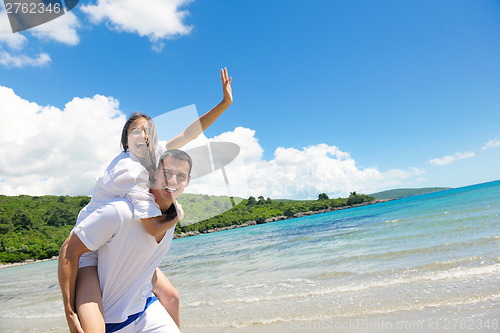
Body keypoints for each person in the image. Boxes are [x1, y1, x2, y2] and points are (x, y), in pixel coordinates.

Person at [74, 68, 233, 331]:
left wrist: (224, 103)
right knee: (95, 326)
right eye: (136, 131)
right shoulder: (127, 168)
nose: (143, 135)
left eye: (148, 131)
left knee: (171, 296)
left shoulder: (155, 154)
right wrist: (177, 215)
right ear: (126, 139)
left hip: (126, 242)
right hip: (92, 249)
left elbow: (190, 132)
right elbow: (150, 226)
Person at [59, 150, 192, 333]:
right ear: (154, 174)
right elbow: (68, 250)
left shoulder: (172, 216)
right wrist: (70, 311)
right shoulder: (119, 212)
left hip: (145, 310)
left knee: (171, 297)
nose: (173, 181)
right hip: (110, 322)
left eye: (181, 176)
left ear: (188, 181)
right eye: (167, 173)